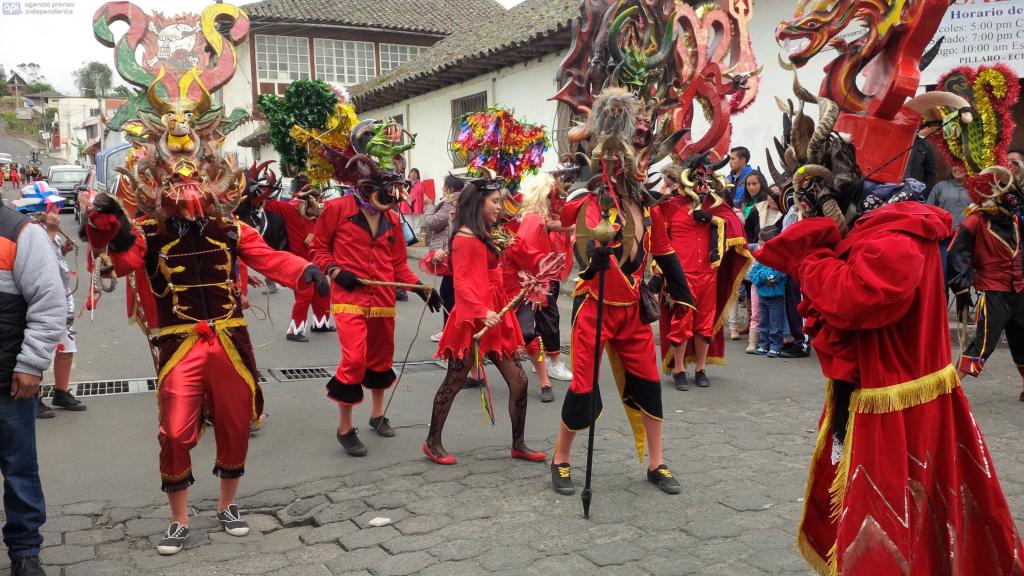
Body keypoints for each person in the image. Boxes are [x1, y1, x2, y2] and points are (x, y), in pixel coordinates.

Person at [86, 189, 327, 554]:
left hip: (229, 337)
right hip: (179, 341)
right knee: (174, 431)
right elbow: (113, 265)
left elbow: (269, 257)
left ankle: (227, 505)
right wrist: (106, 229)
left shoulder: (231, 228)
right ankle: (179, 519)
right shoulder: (146, 232)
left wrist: (306, 269)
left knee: (235, 424)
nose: (188, 187)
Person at [311, 163, 441, 458]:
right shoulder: (336, 209)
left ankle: (377, 414)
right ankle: (344, 429)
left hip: (383, 300)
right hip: (349, 297)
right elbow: (317, 248)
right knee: (355, 359)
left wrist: (420, 288)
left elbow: (397, 265)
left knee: (381, 359)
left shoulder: (393, 218)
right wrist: (334, 270)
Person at [424, 178, 551, 464]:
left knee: (518, 381)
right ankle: (432, 442)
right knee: (453, 382)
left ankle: (518, 444)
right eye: (495, 201)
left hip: (496, 316)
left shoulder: (489, 234)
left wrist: (545, 262)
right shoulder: (465, 237)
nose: (499, 206)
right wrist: (481, 312)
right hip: (473, 320)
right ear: (478, 203)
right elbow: (464, 283)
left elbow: (519, 251)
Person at [0, 203, 65, 576]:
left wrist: (30, 365)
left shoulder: (21, 233)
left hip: (7, 378)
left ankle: (25, 550)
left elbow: (48, 302)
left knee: (19, 468)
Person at [657, 157, 751, 391]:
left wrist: (714, 220)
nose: (703, 183)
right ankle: (679, 369)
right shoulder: (669, 206)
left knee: (705, 325)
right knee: (681, 323)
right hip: (680, 276)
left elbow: (735, 228)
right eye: (698, 177)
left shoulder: (715, 206)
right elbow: (657, 240)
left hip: (708, 275)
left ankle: (700, 368)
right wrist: (660, 271)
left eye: (706, 178)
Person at [506, 173, 570, 402]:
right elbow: (521, 250)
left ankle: (545, 379)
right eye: (553, 195)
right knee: (483, 332)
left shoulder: (538, 217)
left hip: (531, 280)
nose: (557, 200)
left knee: (529, 331)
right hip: (519, 283)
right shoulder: (535, 218)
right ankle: (472, 373)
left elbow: (558, 226)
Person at [35, 211, 87, 418]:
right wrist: (50, 231)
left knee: (66, 347)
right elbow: (41, 261)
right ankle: (34, 397)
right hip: (43, 301)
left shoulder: (52, 233)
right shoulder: (29, 233)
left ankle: (61, 392)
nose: (53, 212)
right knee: (40, 350)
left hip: (63, 298)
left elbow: (56, 260)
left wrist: (63, 249)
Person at [264, 186, 332, 342]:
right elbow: (267, 204)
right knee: (305, 294)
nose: (317, 208)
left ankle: (321, 324)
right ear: (305, 203)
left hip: (317, 263)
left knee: (323, 292)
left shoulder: (320, 216)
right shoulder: (291, 211)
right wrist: (266, 188)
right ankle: (294, 331)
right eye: (313, 203)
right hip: (299, 265)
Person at [423, 175, 463, 341]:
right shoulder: (458, 202)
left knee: (449, 294)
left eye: (443, 187)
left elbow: (431, 223)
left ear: (450, 189)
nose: (442, 190)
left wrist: (429, 205)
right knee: (448, 292)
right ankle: (448, 329)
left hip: (449, 252)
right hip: (451, 251)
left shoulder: (449, 203)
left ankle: (450, 332)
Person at [748, 227, 787, 358]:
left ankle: (775, 346)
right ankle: (764, 344)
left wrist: (762, 276)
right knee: (763, 323)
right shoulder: (761, 256)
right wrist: (763, 277)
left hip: (776, 298)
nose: (758, 243)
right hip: (762, 296)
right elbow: (753, 274)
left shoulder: (779, 258)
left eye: (761, 241)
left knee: (776, 324)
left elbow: (775, 274)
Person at [926, 166, 970, 275]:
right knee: (942, 271)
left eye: (961, 165)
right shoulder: (940, 186)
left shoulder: (974, 189)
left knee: (964, 274)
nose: (957, 168)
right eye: (955, 165)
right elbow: (928, 210)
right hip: (943, 239)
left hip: (965, 239)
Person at [405, 168, 426, 240]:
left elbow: (424, 196)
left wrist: (425, 206)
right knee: (408, 222)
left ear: (418, 175)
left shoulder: (421, 184)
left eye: (415, 173)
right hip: (406, 206)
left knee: (417, 223)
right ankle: (410, 239)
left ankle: (416, 239)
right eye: (412, 172)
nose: (413, 174)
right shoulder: (405, 183)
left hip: (417, 206)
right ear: (409, 174)